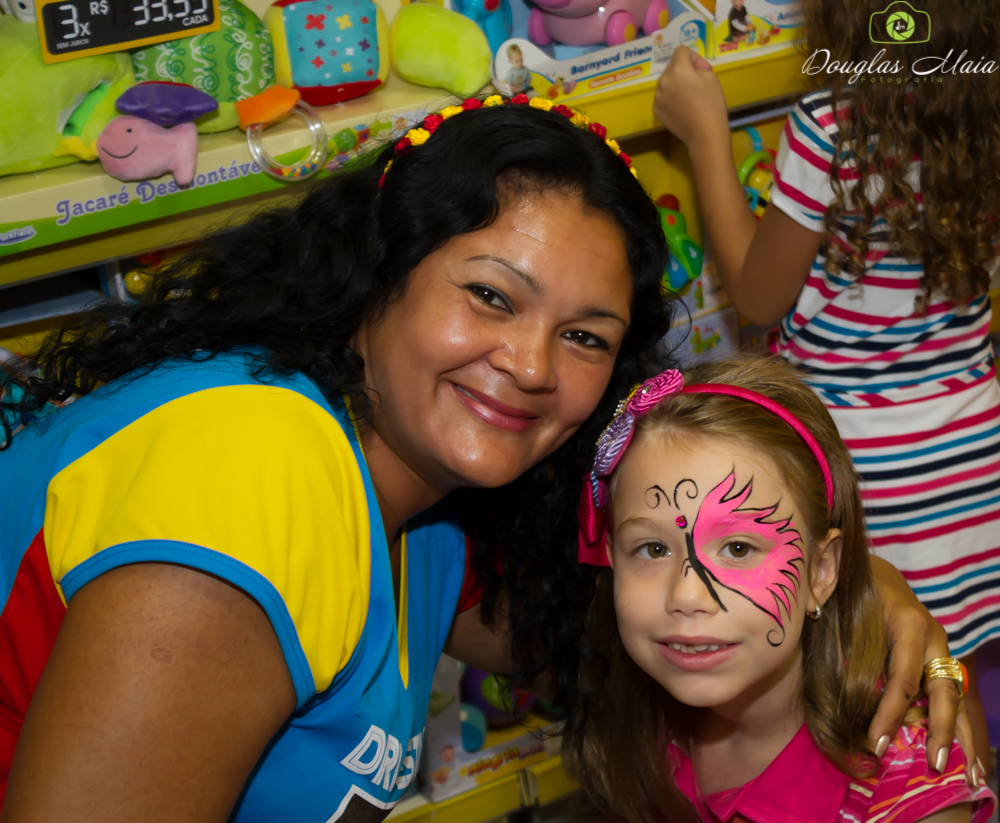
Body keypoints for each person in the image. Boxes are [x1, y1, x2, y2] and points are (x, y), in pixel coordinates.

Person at [0, 95, 966, 822]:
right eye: (493, 297)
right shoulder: (259, 471)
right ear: (380, 272)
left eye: (587, 337)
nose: (533, 366)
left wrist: (852, 590)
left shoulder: (422, 511)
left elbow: (632, 612)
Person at [652, 0, 1000, 772]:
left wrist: (707, 134)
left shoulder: (834, 123)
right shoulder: (984, 106)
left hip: (873, 465)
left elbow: (757, 293)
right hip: (972, 448)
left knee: (875, 687)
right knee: (950, 676)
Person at [566, 357, 996, 823]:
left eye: (737, 548)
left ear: (821, 571)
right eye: (652, 549)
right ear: (610, 555)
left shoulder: (901, 786)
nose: (686, 595)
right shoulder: (638, 722)